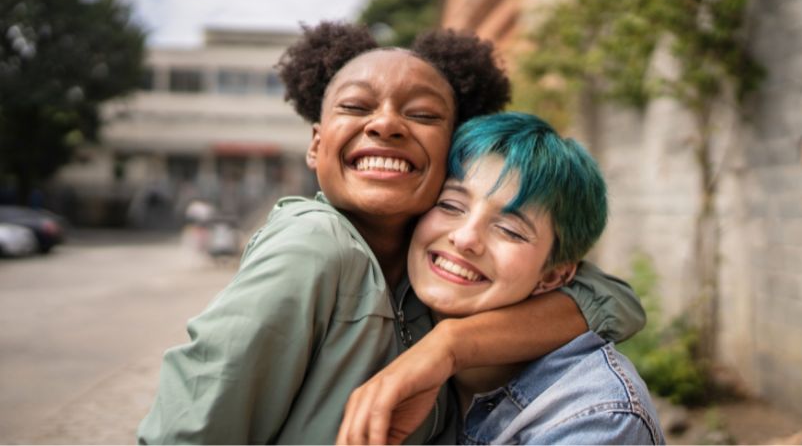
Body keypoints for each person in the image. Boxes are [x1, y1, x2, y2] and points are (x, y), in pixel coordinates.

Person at [137, 23, 645, 445]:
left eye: (422, 115)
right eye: (356, 107)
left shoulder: (423, 267)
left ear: (448, 152)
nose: (385, 124)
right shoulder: (313, 246)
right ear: (315, 145)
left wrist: (447, 344)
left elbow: (614, 300)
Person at [339, 113, 665, 445]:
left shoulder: (596, 417)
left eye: (509, 229)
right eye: (450, 205)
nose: (465, 238)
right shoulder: (382, 308)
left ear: (553, 275)